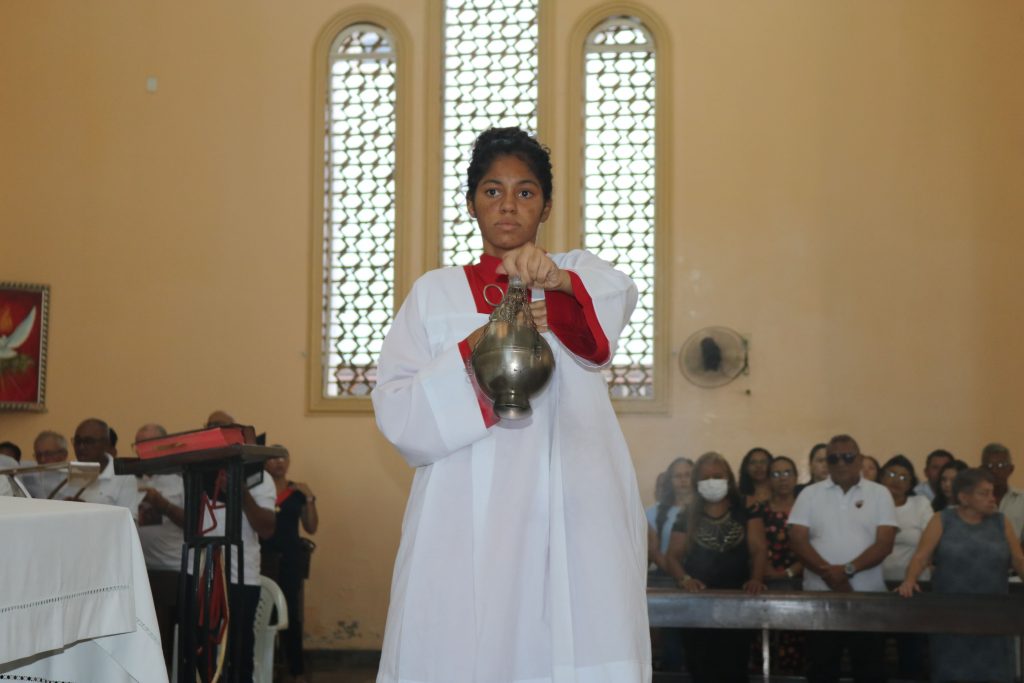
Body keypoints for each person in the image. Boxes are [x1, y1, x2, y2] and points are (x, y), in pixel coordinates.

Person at [371, 127, 650, 683]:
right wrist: (481, 345)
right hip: (461, 506)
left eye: (525, 192)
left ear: (546, 206)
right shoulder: (434, 293)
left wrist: (561, 286)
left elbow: (615, 299)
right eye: (492, 191)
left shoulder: (576, 275)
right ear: (471, 202)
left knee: (572, 627)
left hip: (570, 502)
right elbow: (397, 408)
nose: (508, 205)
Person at [788, 434, 897, 683]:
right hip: (820, 600)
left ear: (859, 460)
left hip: (869, 600)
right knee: (821, 670)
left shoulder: (880, 493)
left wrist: (846, 570)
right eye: (833, 458)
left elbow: (885, 544)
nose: (840, 463)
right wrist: (832, 575)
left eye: (848, 457)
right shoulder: (809, 494)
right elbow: (797, 541)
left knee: (869, 671)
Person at [899, 468, 1024, 682]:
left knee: (995, 673)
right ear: (964, 497)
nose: (992, 498)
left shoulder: (1001, 522)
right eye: (984, 493)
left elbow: (1019, 560)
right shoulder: (942, 519)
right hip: (951, 614)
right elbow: (921, 557)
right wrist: (910, 580)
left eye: (992, 493)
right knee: (953, 672)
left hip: (993, 614)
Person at [664, 452, 766, 682]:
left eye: (717, 476)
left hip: (738, 603)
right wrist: (685, 580)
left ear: (728, 478)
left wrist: (757, 579)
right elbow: (672, 557)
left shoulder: (746, 506)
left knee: (735, 667)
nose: (712, 481)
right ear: (696, 482)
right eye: (705, 477)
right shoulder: (687, 514)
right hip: (697, 605)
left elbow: (759, 549)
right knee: (701, 667)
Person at [261, 449, 319, 683]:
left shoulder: (297, 493)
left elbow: (311, 527)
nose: (279, 462)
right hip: (262, 559)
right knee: (263, 613)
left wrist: (310, 498)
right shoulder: (258, 490)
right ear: (264, 463)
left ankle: (296, 670)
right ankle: (264, 666)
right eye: (273, 458)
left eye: (283, 458)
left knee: (291, 614)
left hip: (290, 559)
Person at [134, 423, 186, 672]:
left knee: (162, 641)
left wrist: (162, 504)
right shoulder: (129, 479)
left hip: (171, 570)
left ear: (165, 447)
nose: (142, 450)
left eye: (149, 444)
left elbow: (194, 524)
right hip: (139, 570)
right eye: (138, 445)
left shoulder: (182, 479)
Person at [878, 455, 931, 679]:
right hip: (877, 588)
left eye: (903, 477)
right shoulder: (870, 504)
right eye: (891, 474)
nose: (896, 480)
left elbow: (931, 542)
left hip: (914, 588)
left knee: (911, 651)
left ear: (911, 483)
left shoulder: (920, 504)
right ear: (881, 477)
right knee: (874, 652)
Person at [759, 455, 804, 674]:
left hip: (799, 582)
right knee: (764, 645)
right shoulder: (759, 510)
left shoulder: (807, 509)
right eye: (776, 474)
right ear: (768, 479)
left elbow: (816, 546)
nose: (782, 478)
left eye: (787, 473)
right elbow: (753, 546)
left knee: (794, 642)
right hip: (764, 582)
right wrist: (764, 570)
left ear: (796, 477)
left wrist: (788, 573)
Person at [69, 418, 139, 510]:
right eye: (77, 441)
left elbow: (128, 517)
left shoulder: (124, 477)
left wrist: (87, 511)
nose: (81, 447)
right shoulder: (69, 471)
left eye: (88, 441)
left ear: (106, 444)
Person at [647, 457, 693, 572]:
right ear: (670, 480)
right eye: (677, 476)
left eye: (688, 475)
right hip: (666, 576)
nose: (683, 480)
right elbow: (654, 552)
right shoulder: (653, 513)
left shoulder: (707, 509)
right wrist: (680, 576)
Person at [980, 443, 1024, 542]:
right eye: (989, 466)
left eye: (1000, 465)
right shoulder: (974, 501)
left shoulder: (1022, 500)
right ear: (982, 469)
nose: (994, 470)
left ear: (1011, 469)